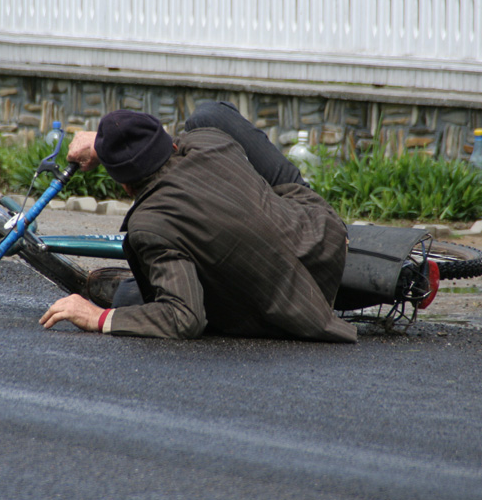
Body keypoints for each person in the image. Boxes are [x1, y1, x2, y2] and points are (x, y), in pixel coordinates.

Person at [39, 101, 358, 343]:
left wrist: (98, 317)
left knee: (128, 300)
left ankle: (141, 284)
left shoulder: (150, 226)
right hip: (323, 237)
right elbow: (167, 141)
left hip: (298, 307)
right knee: (210, 113)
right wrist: (104, 143)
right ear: (170, 143)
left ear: (124, 185)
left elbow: (185, 316)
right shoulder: (211, 141)